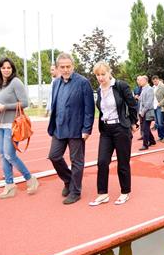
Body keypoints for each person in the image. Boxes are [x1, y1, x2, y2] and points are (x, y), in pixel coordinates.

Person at [47, 53, 95, 205]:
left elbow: (89, 108)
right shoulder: (56, 83)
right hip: (59, 128)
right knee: (54, 156)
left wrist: (87, 129)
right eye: (62, 67)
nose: (66, 69)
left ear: (73, 66)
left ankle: (75, 191)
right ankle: (68, 180)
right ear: (58, 68)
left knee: (77, 161)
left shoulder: (83, 82)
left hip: (76, 128)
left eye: (68, 66)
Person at [89, 62, 138, 206]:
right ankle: (103, 194)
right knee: (102, 161)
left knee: (123, 162)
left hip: (121, 128)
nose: (100, 77)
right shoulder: (98, 90)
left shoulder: (120, 86)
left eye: (103, 74)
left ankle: (125, 192)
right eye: (97, 75)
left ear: (109, 73)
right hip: (105, 130)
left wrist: (133, 122)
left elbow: (132, 104)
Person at [0, 57, 39, 199]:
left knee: (10, 155)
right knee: (2, 155)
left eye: (9, 68)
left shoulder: (15, 82)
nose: (6, 70)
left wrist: (5, 107)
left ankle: (30, 178)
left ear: (12, 69)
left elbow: (25, 103)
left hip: (12, 124)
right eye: (3, 67)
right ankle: (9, 185)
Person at [136, 75, 155, 150]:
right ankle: (152, 141)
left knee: (145, 128)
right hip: (143, 111)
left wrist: (142, 112)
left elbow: (149, 102)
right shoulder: (143, 89)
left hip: (147, 112)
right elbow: (142, 100)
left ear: (145, 81)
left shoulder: (149, 89)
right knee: (145, 128)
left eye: (141, 80)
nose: (139, 82)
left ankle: (145, 145)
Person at [151, 75, 164, 142]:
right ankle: (160, 136)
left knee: (161, 122)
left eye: (156, 80)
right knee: (157, 123)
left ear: (158, 80)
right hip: (154, 107)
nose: (155, 82)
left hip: (160, 107)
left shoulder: (163, 86)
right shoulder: (153, 88)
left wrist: (160, 103)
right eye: (153, 81)